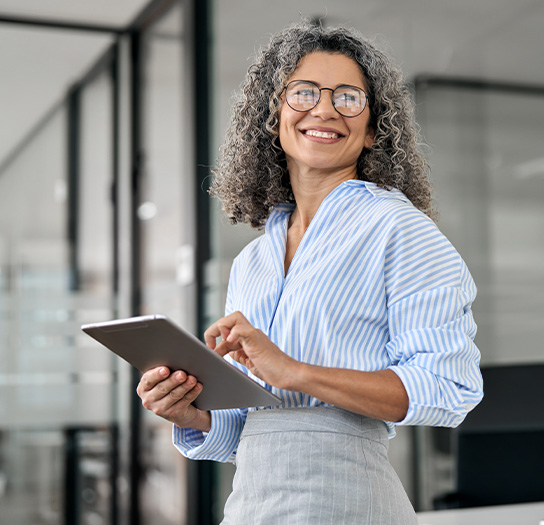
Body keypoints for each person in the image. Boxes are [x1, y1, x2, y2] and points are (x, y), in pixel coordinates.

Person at [136, 21, 483, 524]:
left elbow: (448, 387)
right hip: (254, 507)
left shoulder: (398, 229)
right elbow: (253, 430)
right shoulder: (253, 261)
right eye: (303, 92)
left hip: (349, 503)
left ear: (373, 130)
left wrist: (296, 372)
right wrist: (191, 412)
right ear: (273, 115)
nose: (324, 109)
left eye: (348, 98)